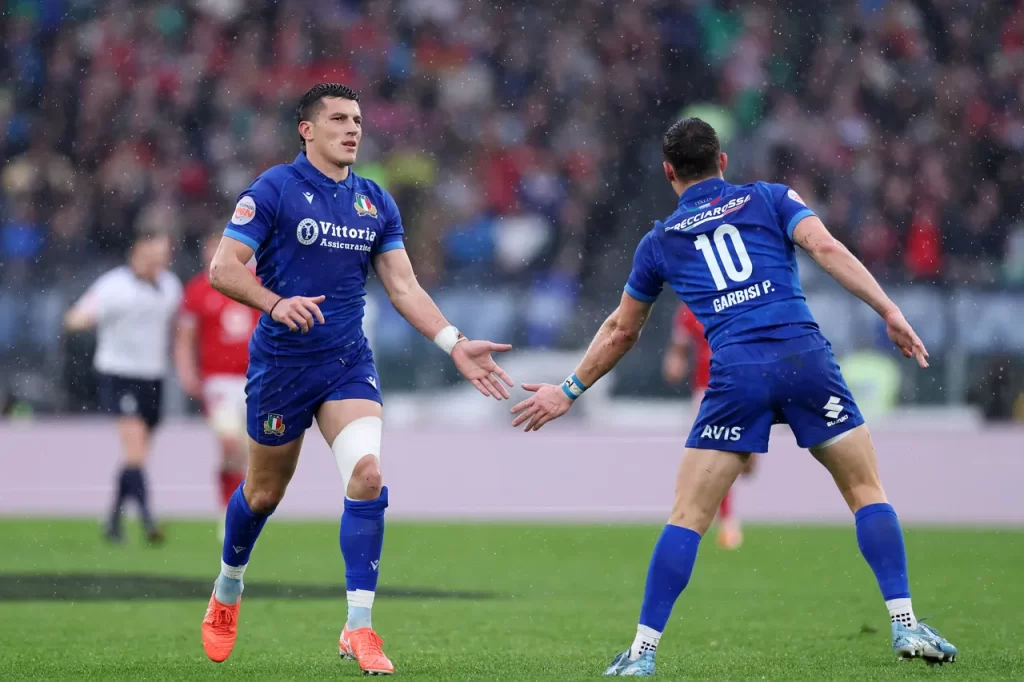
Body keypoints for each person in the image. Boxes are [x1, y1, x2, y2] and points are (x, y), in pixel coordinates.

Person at [511, 118, 957, 676]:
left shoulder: (660, 242)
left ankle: (642, 654)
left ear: (668, 173)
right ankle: (905, 623)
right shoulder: (771, 198)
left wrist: (569, 390)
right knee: (866, 490)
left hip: (736, 373)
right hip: (803, 358)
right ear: (722, 161)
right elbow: (824, 246)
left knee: (688, 516)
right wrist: (888, 310)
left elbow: (622, 330)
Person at [200, 83, 513, 675]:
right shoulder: (273, 189)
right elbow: (223, 268)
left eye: (358, 120)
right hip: (282, 367)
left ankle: (359, 626)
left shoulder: (374, 201)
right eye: (339, 119)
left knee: (367, 475)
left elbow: (403, 286)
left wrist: (454, 342)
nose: (352, 129)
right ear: (307, 130)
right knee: (263, 494)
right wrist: (275, 303)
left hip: (346, 364)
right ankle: (228, 587)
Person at [64, 229, 182, 545]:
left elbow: (175, 327)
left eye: (161, 257)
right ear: (135, 254)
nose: (155, 263)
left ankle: (113, 520)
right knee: (135, 449)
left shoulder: (171, 287)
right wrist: (84, 319)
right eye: (150, 256)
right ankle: (147, 518)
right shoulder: (113, 286)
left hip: (153, 378)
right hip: (120, 376)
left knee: (136, 456)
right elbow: (75, 317)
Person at [174, 232, 261, 540]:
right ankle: (227, 512)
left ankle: (241, 516)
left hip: (255, 380)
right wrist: (186, 371)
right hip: (218, 381)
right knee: (229, 444)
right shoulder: (198, 289)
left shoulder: (257, 281)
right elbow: (185, 337)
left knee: (250, 454)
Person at [662, 303, 755, 550]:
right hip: (708, 391)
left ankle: (719, 515)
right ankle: (726, 521)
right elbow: (679, 344)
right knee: (715, 455)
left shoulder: (743, 299)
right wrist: (675, 361)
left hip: (745, 387)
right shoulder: (691, 306)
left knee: (747, 464)